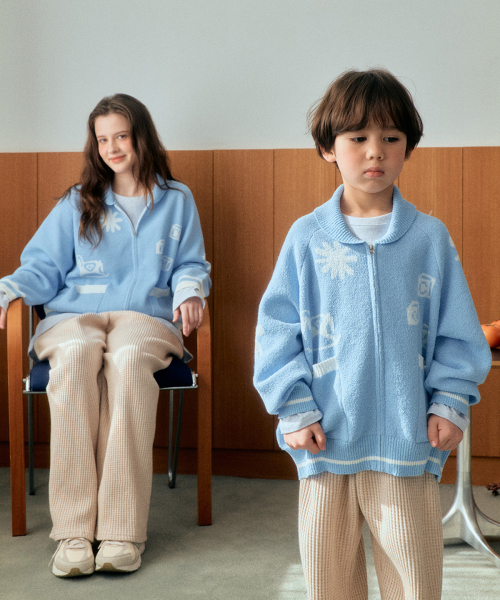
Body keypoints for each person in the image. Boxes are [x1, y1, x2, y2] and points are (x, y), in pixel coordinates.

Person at [253, 69, 491, 600]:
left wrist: (450, 401)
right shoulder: (306, 238)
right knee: (330, 583)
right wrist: (293, 407)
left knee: (415, 583)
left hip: (408, 443)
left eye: (390, 137)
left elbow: (457, 332)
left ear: (408, 147)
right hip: (324, 442)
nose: (375, 151)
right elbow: (276, 331)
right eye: (357, 137)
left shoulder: (429, 238)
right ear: (328, 149)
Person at [0, 94, 211, 577]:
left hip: (145, 319)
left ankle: (121, 529)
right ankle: (74, 531)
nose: (112, 148)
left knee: (130, 360)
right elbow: (42, 267)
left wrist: (190, 290)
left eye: (121, 136)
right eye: (102, 139)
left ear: (141, 137)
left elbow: (191, 263)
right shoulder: (78, 201)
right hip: (73, 318)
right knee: (76, 356)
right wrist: (8, 289)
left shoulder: (177, 200)